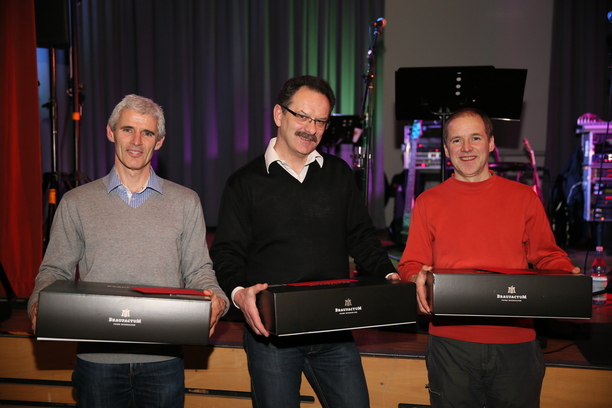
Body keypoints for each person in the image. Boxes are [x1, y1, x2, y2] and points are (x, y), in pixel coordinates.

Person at [27, 94, 229, 408]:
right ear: (111, 133)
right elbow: (54, 271)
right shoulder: (76, 202)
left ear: (159, 142)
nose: (136, 141)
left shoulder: (186, 202)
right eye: (127, 130)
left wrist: (216, 298)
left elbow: (199, 270)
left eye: (147, 133)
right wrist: (38, 303)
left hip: (163, 359)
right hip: (97, 361)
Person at [210, 75, 399, 408]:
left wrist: (389, 274)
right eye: (303, 116)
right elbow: (227, 252)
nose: (311, 129)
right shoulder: (244, 183)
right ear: (279, 114)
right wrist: (240, 294)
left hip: (334, 328)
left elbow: (361, 236)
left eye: (320, 121)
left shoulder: (339, 174)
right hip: (271, 334)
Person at [398, 107, 580, 408]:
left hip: (516, 345)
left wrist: (568, 275)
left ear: (491, 143)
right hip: (451, 345)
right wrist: (414, 276)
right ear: (446, 149)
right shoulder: (428, 202)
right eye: (456, 140)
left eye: (475, 138)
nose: (466, 148)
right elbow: (411, 263)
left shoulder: (524, 198)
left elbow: (548, 256)